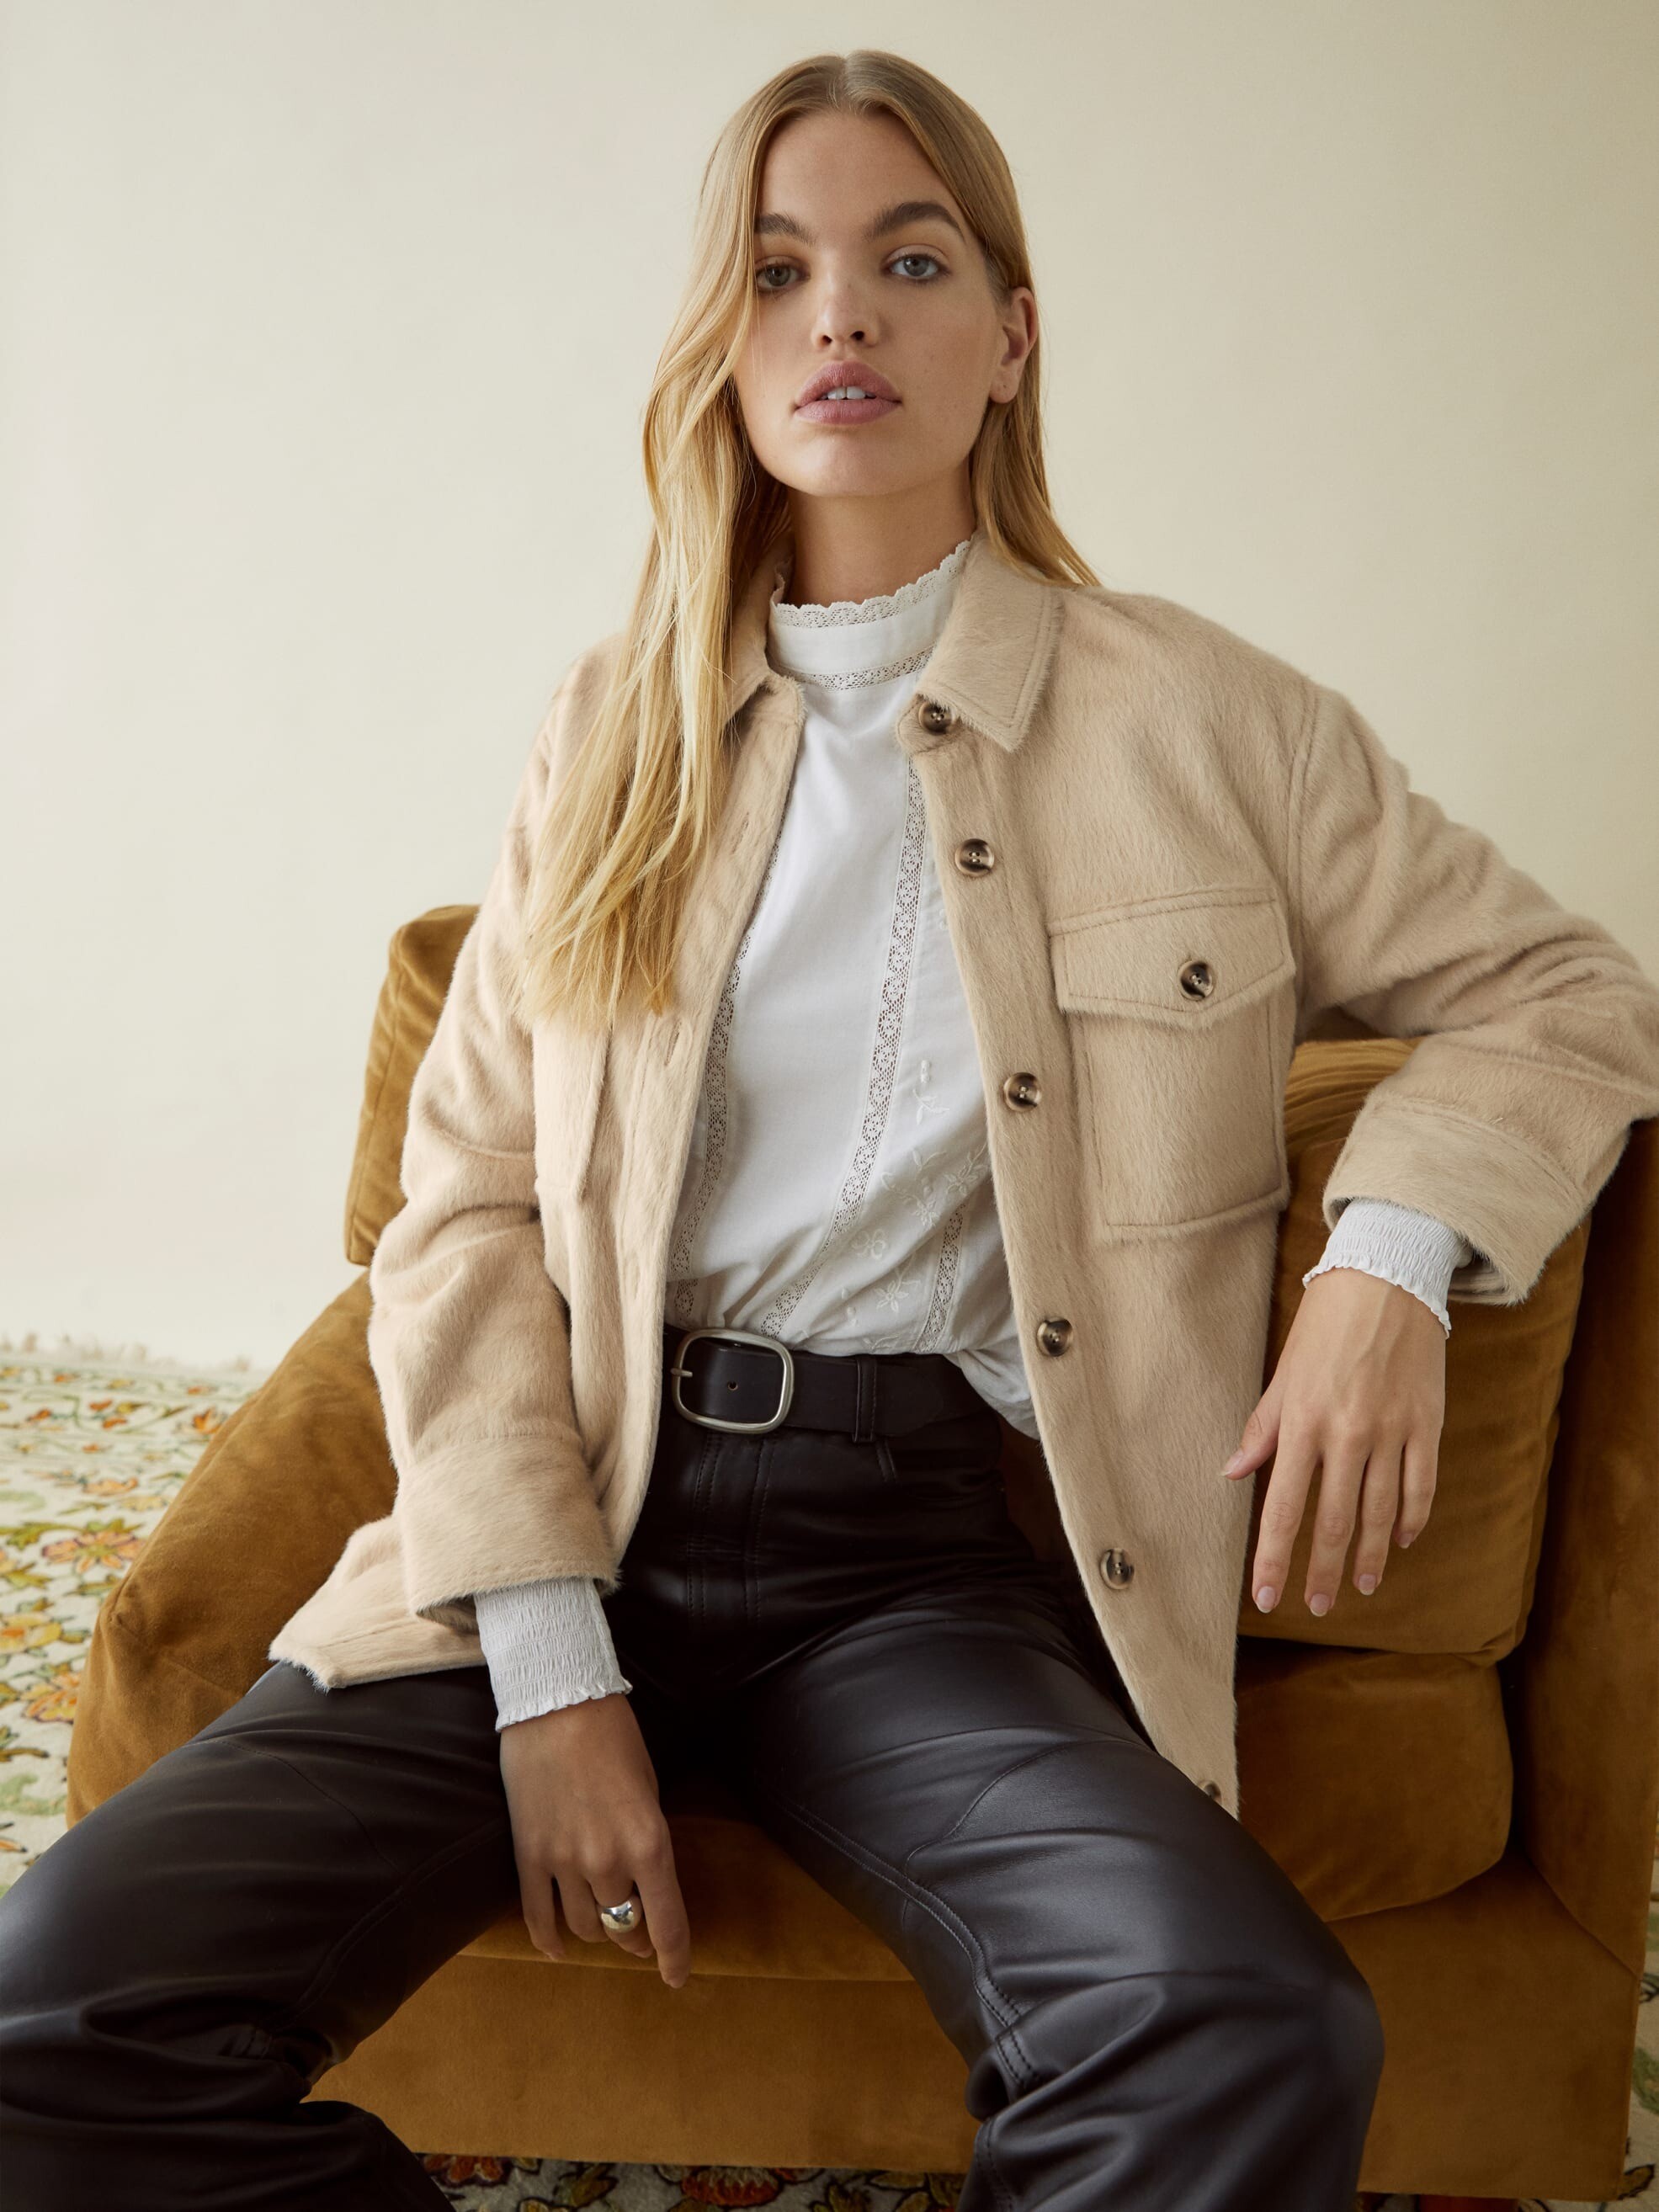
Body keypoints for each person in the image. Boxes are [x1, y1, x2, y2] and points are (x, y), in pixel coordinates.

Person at [6, 49, 1657, 2212]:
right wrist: (548, 1665)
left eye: (910, 260)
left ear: (1009, 337)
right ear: (724, 341)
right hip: (581, 1508)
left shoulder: (1207, 720)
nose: (842, 314)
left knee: (1240, 2019)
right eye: (777, 270)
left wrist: (1384, 1262)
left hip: (919, 1569)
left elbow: (1563, 996)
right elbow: (465, 1206)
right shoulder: (608, 732)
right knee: (43, 2040)